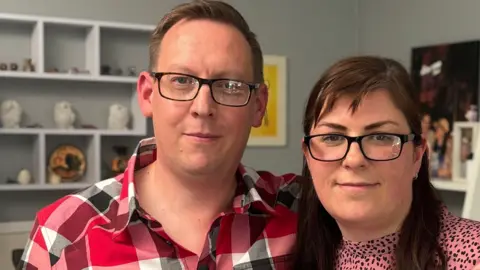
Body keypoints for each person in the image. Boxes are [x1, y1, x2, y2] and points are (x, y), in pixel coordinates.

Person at [17, 1, 300, 269]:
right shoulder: (61, 235)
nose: (203, 108)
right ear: (147, 95)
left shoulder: (303, 211)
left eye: (229, 85)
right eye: (181, 80)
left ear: (259, 105)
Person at [294, 56, 480, 269]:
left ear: (417, 154)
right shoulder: (295, 253)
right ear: (307, 155)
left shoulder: (472, 254)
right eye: (332, 137)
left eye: (381, 137)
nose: (354, 159)